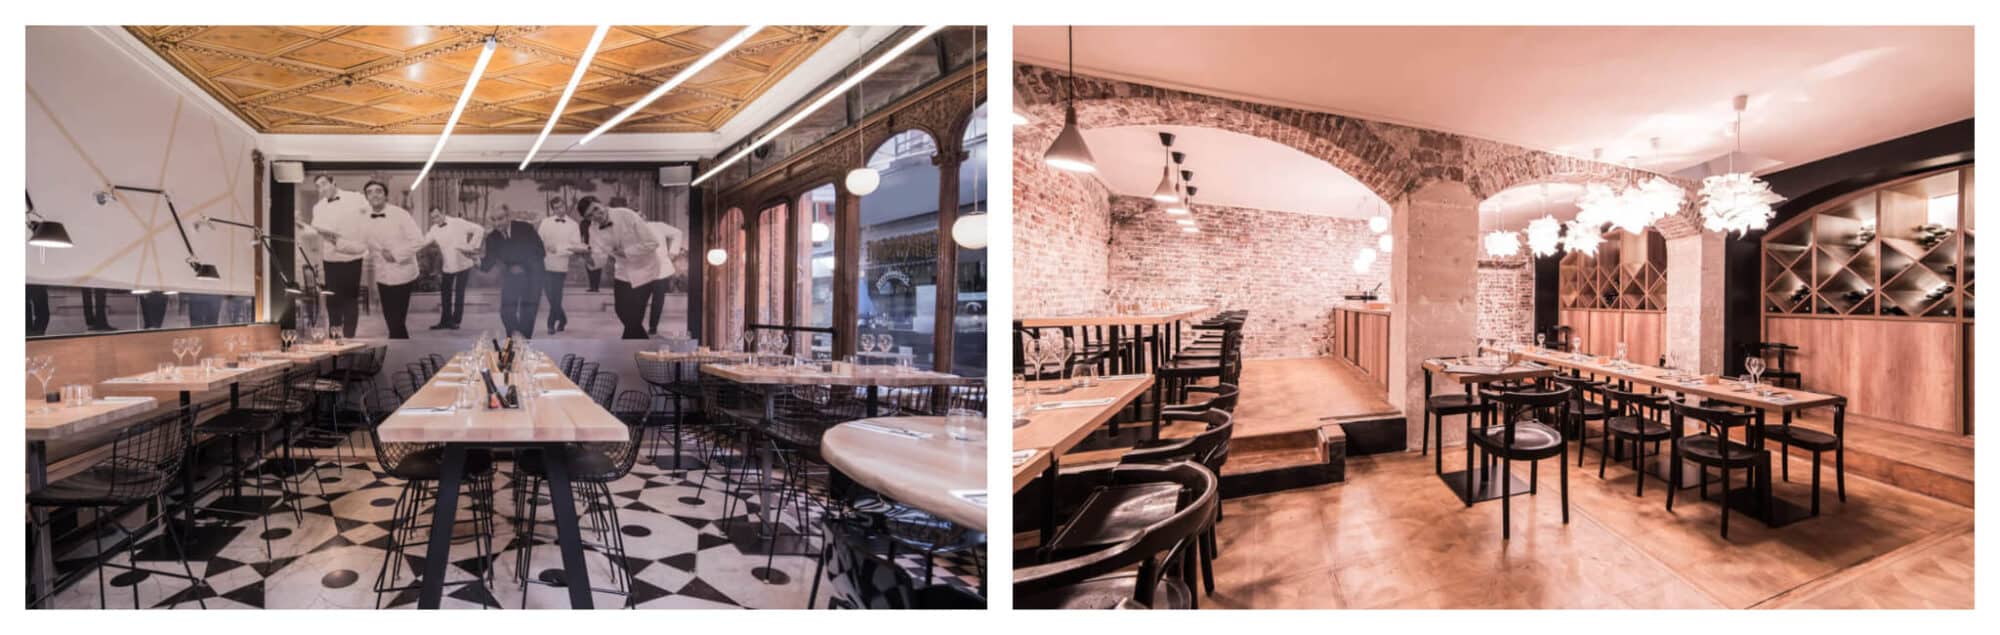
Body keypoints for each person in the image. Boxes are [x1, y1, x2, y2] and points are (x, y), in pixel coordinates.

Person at [581, 196, 661, 340]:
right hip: (622, 272)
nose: (596, 215)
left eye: (596, 209)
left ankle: (633, 352)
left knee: (633, 320)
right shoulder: (593, 230)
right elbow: (600, 259)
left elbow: (652, 243)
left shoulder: (626, 214)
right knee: (621, 312)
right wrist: (588, 258)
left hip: (646, 271)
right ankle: (645, 350)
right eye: (590, 215)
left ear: (601, 203)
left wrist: (626, 252)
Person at [353, 181, 424, 339]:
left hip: (404, 273)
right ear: (366, 197)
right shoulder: (363, 219)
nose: (374, 195)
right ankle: (399, 350)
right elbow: (363, 243)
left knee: (396, 320)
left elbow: (419, 240)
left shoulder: (401, 214)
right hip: (382, 274)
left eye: (378, 191)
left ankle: (399, 352)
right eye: (370, 192)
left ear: (385, 195)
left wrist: (396, 254)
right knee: (391, 319)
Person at [305, 174, 371, 338]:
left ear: (333, 182)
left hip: (352, 257)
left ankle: (349, 338)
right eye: (318, 186)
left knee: (350, 298)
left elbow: (368, 219)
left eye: (324, 184)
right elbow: (318, 231)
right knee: (332, 299)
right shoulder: (318, 207)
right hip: (330, 258)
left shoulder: (355, 198)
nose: (321, 189)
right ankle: (335, 337)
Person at [481, 204, 545, 339]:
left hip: (533, 274)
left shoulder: (525, 228)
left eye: (500, 219)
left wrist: (521, 266)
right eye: (494, 220)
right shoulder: (492, 237)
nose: (497, 223)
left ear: (508, 217)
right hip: (512, 276)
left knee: (527, 312)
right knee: (506, 311)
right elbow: (488, 263)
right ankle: (516, 337)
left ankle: (522, 343)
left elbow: (540, 251)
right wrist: (475, 260)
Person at [423, 208, 484, 330]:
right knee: (445, 292)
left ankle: (456, 321)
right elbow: (422, 242)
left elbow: (479, 229)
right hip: (448, 265)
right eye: (433, 217)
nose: (436, 219)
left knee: (459, 292)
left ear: (443, 213)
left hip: (464, 263)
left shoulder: (458, 222)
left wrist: (472, 247)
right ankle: (445, 321)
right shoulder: (434, 229)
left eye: (438, 216)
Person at [538, 197, 588, 333]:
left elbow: (575, 246)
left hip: (561, 264)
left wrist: (559, 248)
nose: (560, 210)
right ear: (552, 209)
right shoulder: (545, 222)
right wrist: (544, 247)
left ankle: (550, 324)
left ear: (565, 206)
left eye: (561, 206)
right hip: (545, 263)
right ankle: (563, 318)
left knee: (557, 295)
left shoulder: (573, 225)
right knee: (550, 294)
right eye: (556, 208)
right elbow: (539, 241)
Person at [644, 218, 687, 335]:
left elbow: (678, 233)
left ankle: (653, 327)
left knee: (658, 300)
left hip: (661, 270)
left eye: (640, 214)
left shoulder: (658, 226)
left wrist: (673, 252)